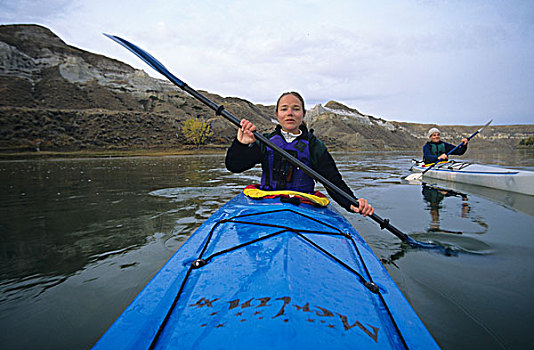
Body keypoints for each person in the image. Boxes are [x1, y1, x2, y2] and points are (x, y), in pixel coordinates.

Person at [225, 91, 374, 217]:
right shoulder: (265, 141)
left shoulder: (314, 146)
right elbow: (234, 166)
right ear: (277, 115)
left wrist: (351, 203)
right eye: (284, 109)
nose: (290, 113)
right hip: (267, 203)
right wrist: (241, 144)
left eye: (296, 109)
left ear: (303, 114)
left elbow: (333, 181)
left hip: (303, 207)